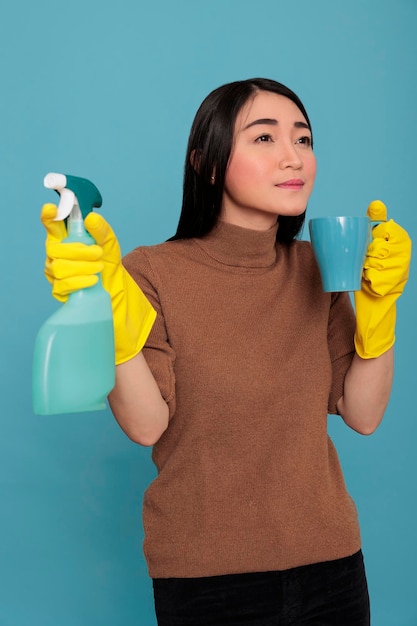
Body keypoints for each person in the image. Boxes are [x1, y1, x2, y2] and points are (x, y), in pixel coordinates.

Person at [41, 78, 411, 625]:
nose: (294, 157)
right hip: (207, 584)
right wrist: (108, 311)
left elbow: (363, 413)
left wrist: (380, 308)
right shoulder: (152, 271)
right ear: (208, 163)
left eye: (303, 139)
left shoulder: (319, 267)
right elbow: (146, 425)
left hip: (333, 569)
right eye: (264, 139)